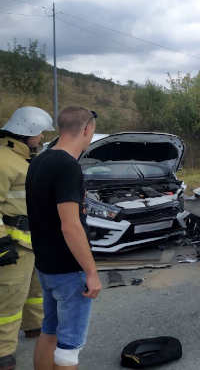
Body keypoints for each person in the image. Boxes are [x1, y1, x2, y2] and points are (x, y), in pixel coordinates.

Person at [26, 106, 101, 370]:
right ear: (86, 129)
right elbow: (70, 226)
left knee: (49, 331)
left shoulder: (39, 161)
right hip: (69, 270)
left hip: (45, 266)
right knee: (69, 348)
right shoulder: (68, 167)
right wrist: (91, 271)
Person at [0, 107, 54, 370]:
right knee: (9, 299)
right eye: (40, 132)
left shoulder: (24, 159)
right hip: (13, 244)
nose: (42, 137)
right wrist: (1, 244)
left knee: (35, 292)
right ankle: (3, 352)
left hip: (32, 241)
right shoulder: (2, 160)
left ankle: (34, 327)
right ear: (27, 132)